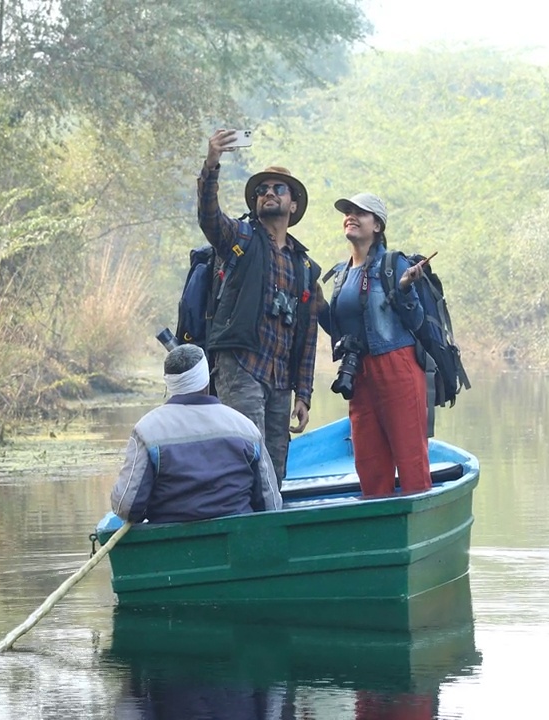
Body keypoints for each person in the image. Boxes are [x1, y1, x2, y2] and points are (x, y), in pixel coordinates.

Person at [197, 130, 322, 484]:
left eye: (278, 189)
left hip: (281, 380)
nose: (268, 193)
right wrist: (211, 164)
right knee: (245, 458)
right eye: (262, 190)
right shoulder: (240, 238)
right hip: (241, 366)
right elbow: (209, 217)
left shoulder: (305, 267)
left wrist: (305, 395)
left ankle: (269, 528)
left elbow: (307, 338)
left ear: (293, 204)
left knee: (275, 469)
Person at [316, 193, 432, 498]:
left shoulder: (395, 265)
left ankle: (418, 531)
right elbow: (338, 329)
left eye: (360, 213)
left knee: (410, 458)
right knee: (369, 463)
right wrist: (318, 307)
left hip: (397, 364)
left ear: (377, 225)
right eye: (348, 212)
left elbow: (417, 319)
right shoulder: (340, 274)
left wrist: (406, 290)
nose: (351, 216)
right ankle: (380, 531)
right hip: (358, 374)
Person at [110, 344, 282, 524]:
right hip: (238, 540)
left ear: (169, 383)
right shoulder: (246, 428)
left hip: (171, 542)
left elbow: (126, 506)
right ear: (206, 380)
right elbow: (270, 505)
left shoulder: (146, 431)